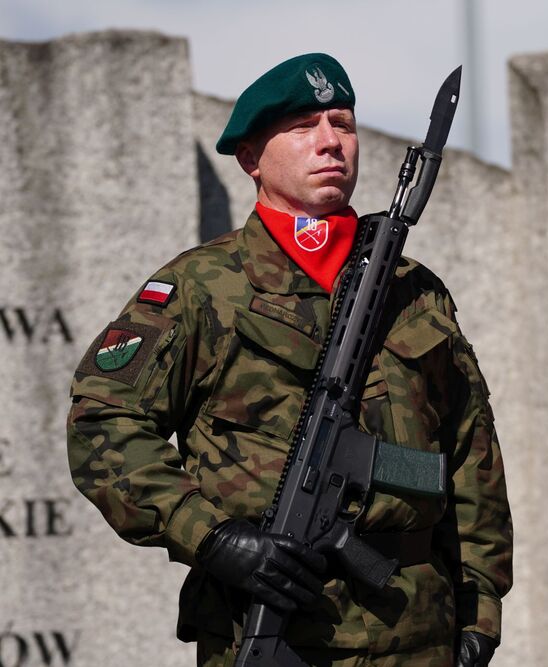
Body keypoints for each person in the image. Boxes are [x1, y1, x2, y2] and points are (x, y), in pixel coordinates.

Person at [66, 53, 512, 667]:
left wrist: (480, 604)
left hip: (416, 631)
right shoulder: (201, 286)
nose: (331, 142)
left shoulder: (414, 290)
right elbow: (104, 427)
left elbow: (470, 453)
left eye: (343, 123)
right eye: (304, 126)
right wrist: (213, 537)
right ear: (252, 157)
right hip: (269, 620)